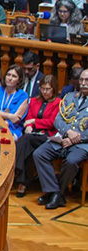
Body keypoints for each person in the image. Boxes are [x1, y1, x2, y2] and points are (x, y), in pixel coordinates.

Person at [33, 68, 88, 210]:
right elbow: (58, 120)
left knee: (71, 161)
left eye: (86, 80)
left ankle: (55, 193)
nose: (83, 83)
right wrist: (68, 132)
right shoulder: (70, 97)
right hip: (63, 139)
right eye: (81, 80)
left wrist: (75, 139)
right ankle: (55, 192)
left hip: (82, 144)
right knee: (39, 154)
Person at [15, 75, 60, 198]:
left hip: (48, 136)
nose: (45, 92)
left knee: (25, 140)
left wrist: (34, 122)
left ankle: (17, 172)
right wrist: (28, 125)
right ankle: (23, 181)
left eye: (48, 89)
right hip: (33, 134)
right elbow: (28, 117)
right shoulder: (34, 101)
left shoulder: (58, 102)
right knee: (27, 145)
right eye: (43, 89)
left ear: (54, 89)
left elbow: (52, 122)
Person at [0, 64, 29, 138]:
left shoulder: (23, 95)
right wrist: (9, 116)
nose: (10, 78)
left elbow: (16, 119)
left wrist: (6, 120)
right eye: (8, 75)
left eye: (14, 76)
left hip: (12, 129)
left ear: (19, 80)